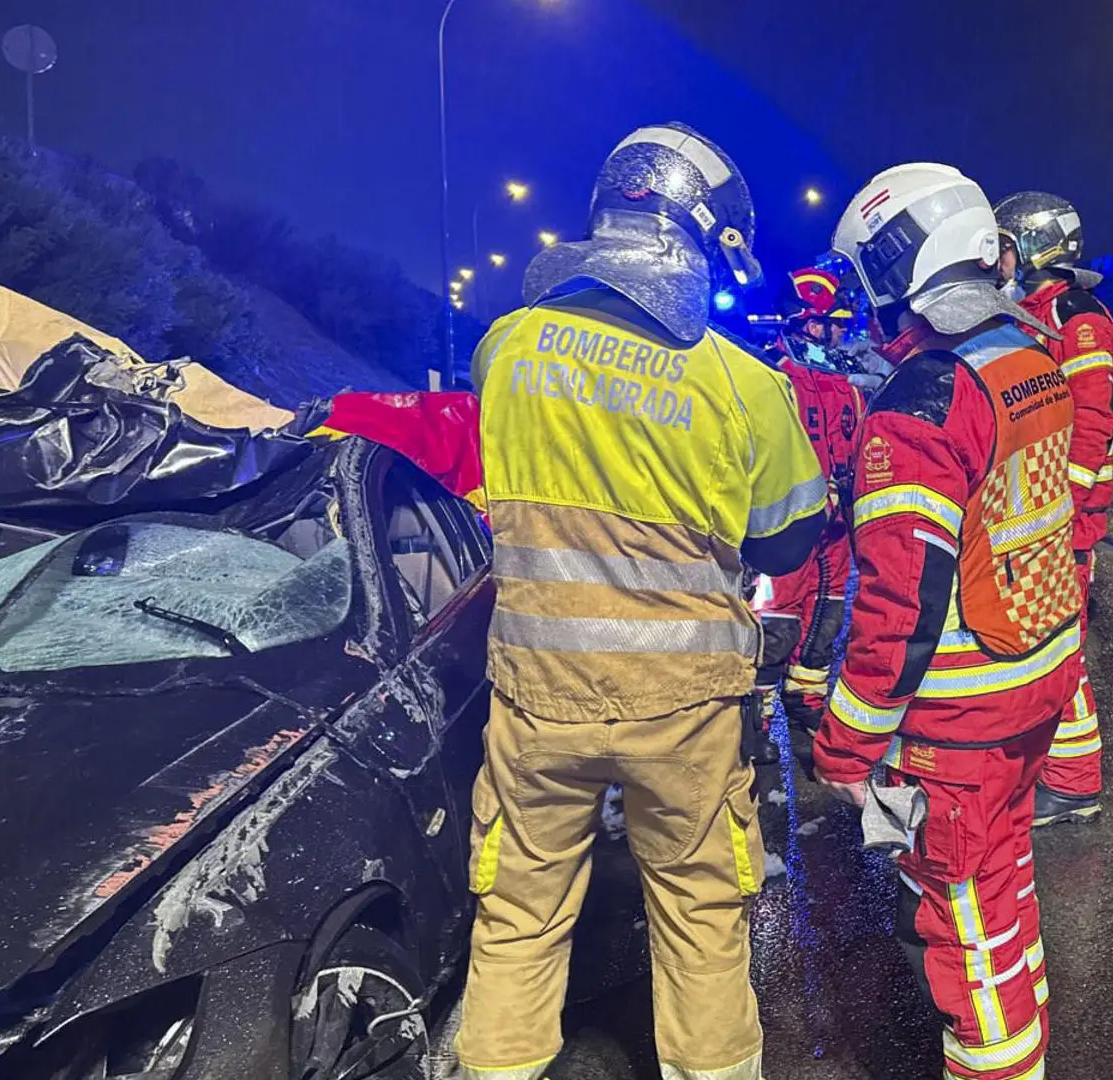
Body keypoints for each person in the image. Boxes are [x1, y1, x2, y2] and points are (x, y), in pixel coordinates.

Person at [460, 122, 826, 1080]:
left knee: (518, 919)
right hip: (686, 706)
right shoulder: (741, 384)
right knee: (703, 919)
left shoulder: (507, 349)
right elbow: (792, 536)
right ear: (697, 232)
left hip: (537, 695)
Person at [813, 162, 1078, 1080]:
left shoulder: (922, 400)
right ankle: (1028, 1031)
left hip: (962, 717)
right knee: (1006, 880)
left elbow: (899, 608)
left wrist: (845, 747)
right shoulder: (1028, 354)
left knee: (960, 908)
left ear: (895, 270)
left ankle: (999, 1059)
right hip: (1037, 679)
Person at [995, 191, 1113, 828]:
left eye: (1008, 246)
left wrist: (1062, 506)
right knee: (1041, 640)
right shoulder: (1037, 314)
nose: (1001, 259)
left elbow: (1092, 419)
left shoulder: (1078, 319)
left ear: (1036, 250)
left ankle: (1074, 781)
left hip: (1064, 519)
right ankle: (1056, 770)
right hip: (1042, 514)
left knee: (1058, 646)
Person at [752, 267, 865, 773]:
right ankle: (754, 714)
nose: (842, 333)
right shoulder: (772, 382)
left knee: (828, 615)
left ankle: (805, 697)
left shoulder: (851, 390)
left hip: (837, 530)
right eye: (833, 323)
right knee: (776, 619)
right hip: (790, 527)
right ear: (806, 324)